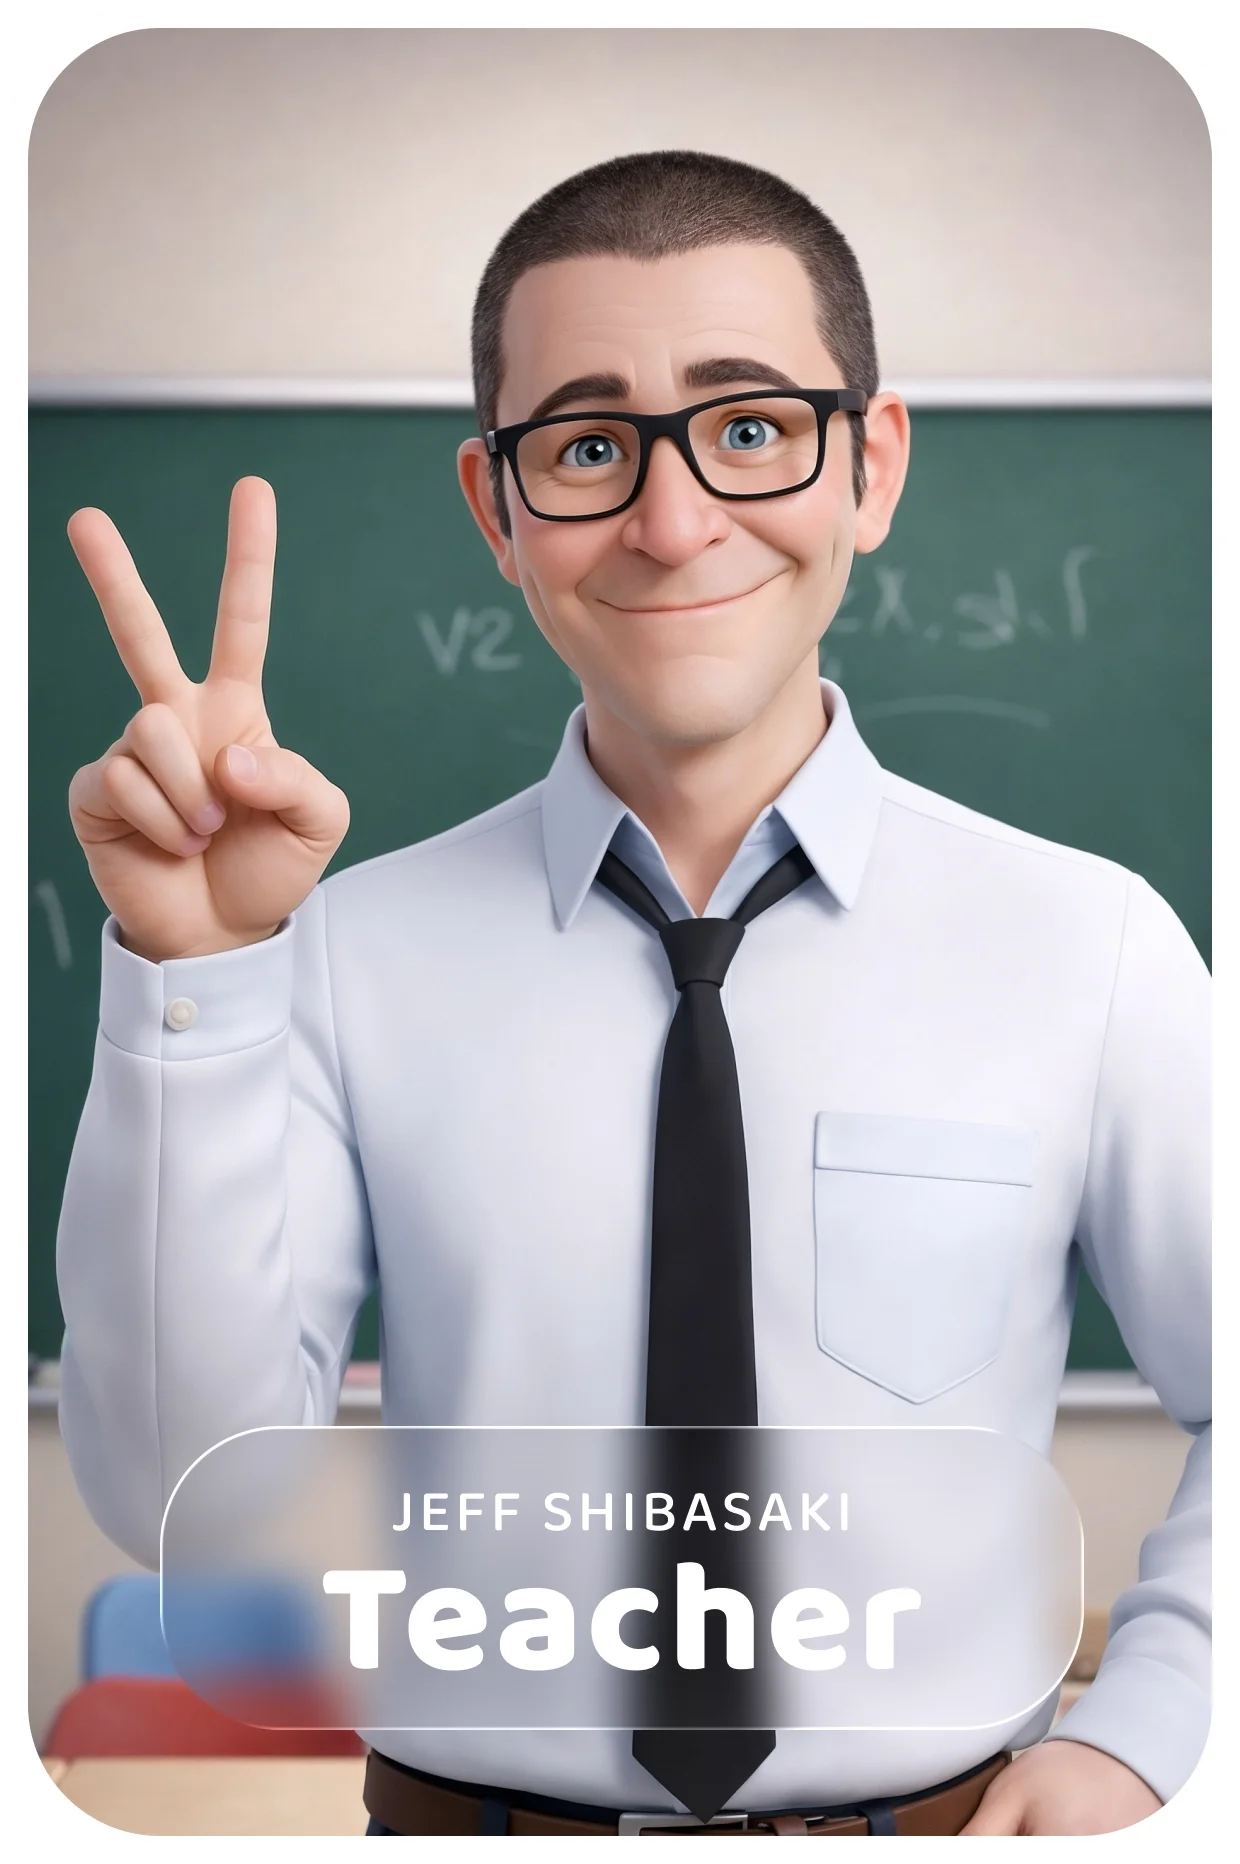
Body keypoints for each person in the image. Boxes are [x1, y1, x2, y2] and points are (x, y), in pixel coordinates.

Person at [55, 151, 1208, 1837]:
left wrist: (1155, 1723)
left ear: (870, 466)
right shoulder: (342, 958)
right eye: (590, 448)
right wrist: (199, 975)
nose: (675, 525)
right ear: (497, 508)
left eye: (750, 428)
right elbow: (176, 1503)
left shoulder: (1090, 944)